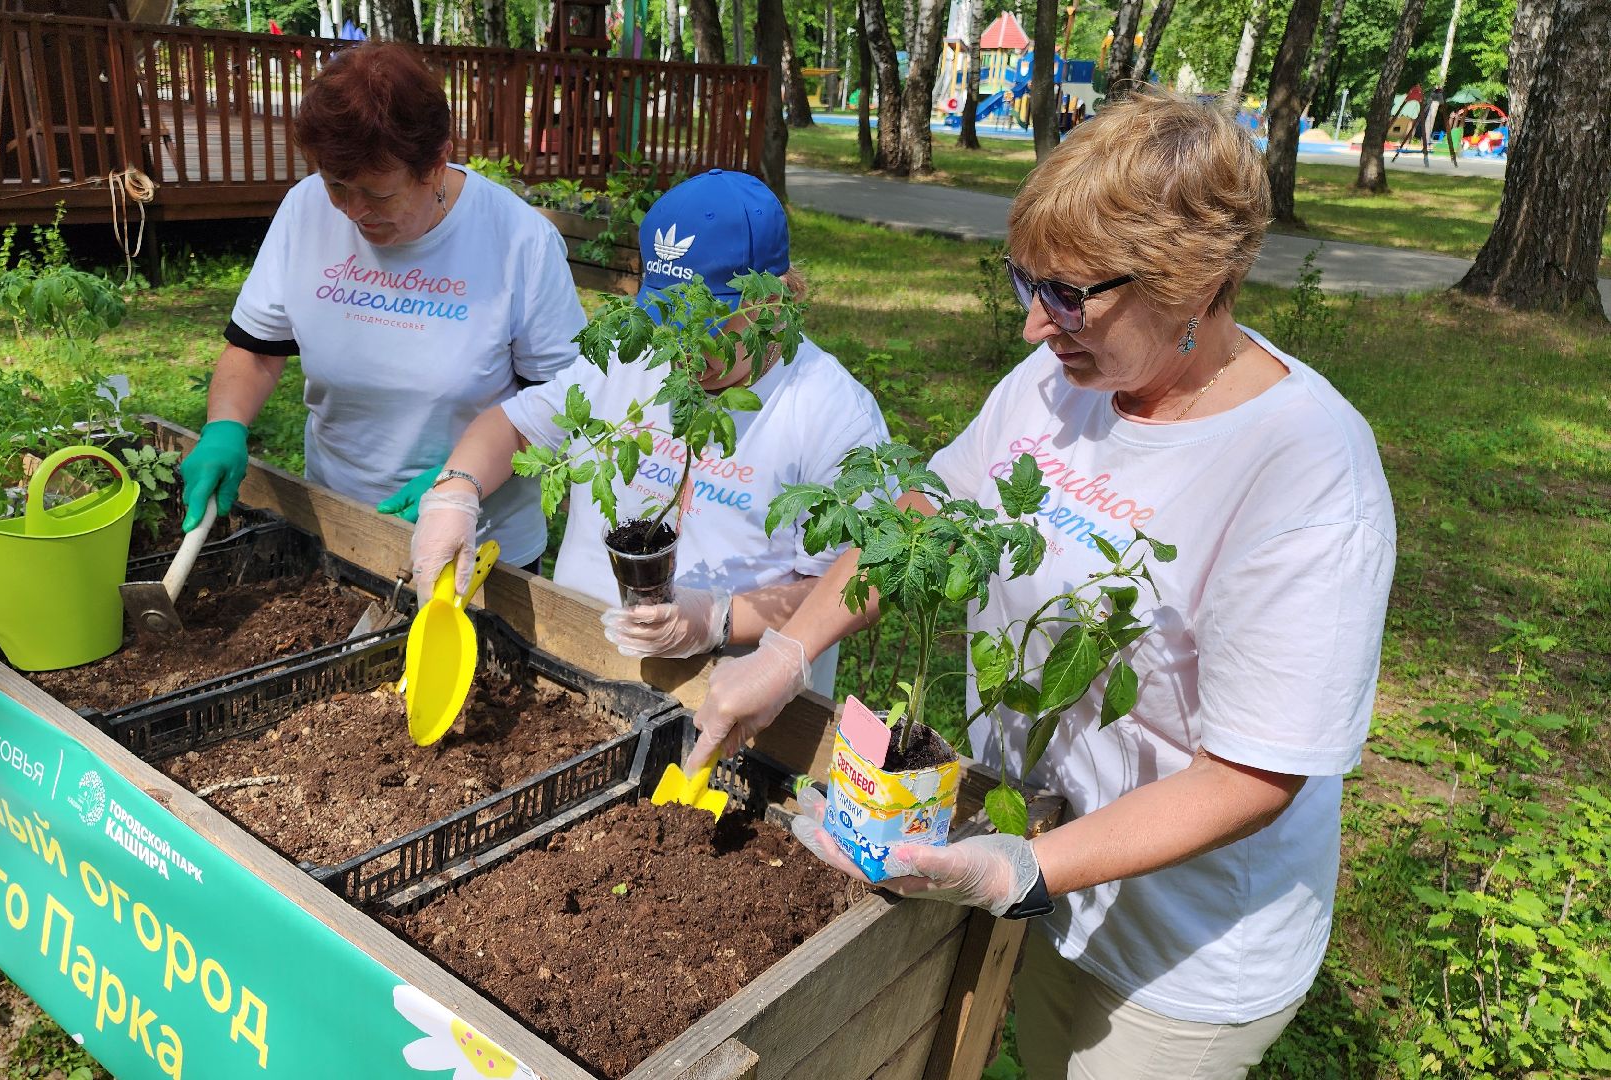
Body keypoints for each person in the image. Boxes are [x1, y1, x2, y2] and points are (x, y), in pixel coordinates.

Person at [689, 90, 1396, 1077]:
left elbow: (1255, 772)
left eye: (1068, 294)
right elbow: (923, 511)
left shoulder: (1304, 470)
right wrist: (786, 649)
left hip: (1173, 954)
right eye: (1027, 281)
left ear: (1191, 283)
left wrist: (1023, 865)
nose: (1032, 325)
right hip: (1035, 865)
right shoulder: (1060, 379)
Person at [408, 170, 889, 692]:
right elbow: (515, 427)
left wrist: (717, 619)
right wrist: (455, 491)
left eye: (707, 324)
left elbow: (854, 584)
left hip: (728, 703)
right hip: (577, 667)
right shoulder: (627, 358)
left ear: (774, 300)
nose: (680, 346)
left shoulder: (831, 413)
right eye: (667, 317)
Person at [180, 42, 584, 575]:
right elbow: (257, 348)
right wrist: (225, 425)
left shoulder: (518, 240)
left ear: (436, 164)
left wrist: (465, 481)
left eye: (377, 194)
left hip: (480, 548)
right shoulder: (304, 210)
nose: (353, 212)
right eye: (337, 186)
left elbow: (565, 401)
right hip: (340, 524)